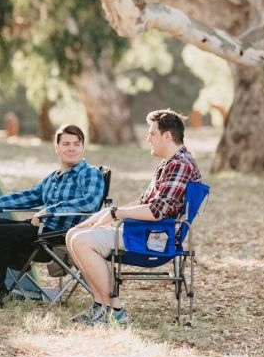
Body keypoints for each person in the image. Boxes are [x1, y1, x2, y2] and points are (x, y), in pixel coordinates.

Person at [66, 109, 201, 325]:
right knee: (74, 233)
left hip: (156, 239)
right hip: (144, 231)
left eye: (152, 134)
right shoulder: (170, 163)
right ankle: (101, 306)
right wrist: (105, 214)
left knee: (80, 241)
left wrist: (115, 212)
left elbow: (156, 212)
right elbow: (144, 204)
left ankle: (114, 310)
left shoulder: (180, 164)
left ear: (167, 136)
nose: (148, 139)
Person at [0, 124, 105, 312]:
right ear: (57, 148)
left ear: (83, 147)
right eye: (66, 143)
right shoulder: (53, 178)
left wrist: (49, 211)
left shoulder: (90, 173)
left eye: (77, 144)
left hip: (61, 234)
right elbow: (25, 197)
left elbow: (89, 204)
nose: (71, 148)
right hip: (41, 229)